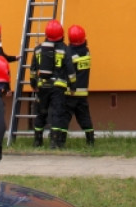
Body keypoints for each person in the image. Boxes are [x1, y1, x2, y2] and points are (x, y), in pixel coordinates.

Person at [30, 19, 74, 149]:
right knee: (57, 113)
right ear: (61, 34)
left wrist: (34, 84)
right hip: (58, 87)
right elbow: (70, 70)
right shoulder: (65, 49)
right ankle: (55, 142)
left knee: (41, 112)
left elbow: (33, 70)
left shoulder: (38, 49)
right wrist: (72, 86)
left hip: (42, 86)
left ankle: (37, 140)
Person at [61, 24, 94, 147]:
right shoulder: (87, 52)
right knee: (84, 117)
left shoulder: (69, 53)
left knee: (65, 117)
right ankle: (90, 141)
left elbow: (68, 71)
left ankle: (61, 141)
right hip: (83, 93)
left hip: (71, 92)